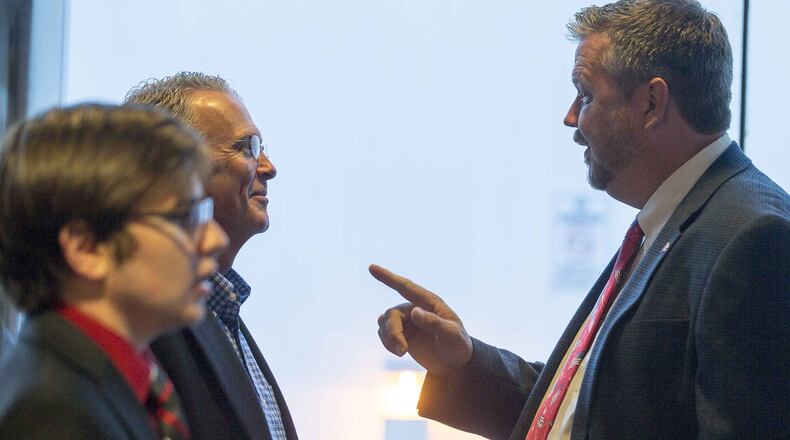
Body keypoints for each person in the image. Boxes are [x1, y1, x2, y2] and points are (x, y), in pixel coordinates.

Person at [372, 1, 790, 439]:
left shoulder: (754, 240)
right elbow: (591, 413)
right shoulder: (672, 222)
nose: (571, 117)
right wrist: (465, 363)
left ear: (652, 102)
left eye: (586, 95)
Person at [0, 103, 229, 439]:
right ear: (86, 248)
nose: (216, 239)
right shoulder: (52, 411)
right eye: (185, 218)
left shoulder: (120, 379)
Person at [124, 73, 298, 440]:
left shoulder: (224, 309)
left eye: (263, 147)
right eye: (247, 147)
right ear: (174, 170)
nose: (268, 166)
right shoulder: (145, 324)